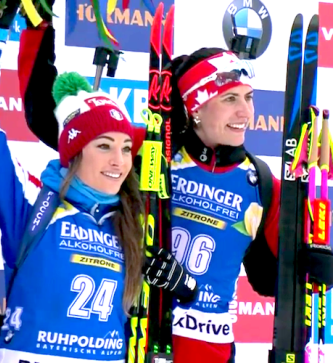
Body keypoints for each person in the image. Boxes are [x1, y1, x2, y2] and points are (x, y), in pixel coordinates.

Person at [16, 12, 283, 363]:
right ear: (196, 107)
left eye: (248, 98)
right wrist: (39, 29)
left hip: (209, 352)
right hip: (132, 342)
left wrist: (317, 257)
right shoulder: (149, 150)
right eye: (230, 99)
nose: (245, 112)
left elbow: (271, 280)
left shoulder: (262, 183)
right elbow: (50, 122)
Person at [0, 3, 199, 362]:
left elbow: (162, 308)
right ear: (74, 152)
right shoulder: (35, 208)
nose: (118, 161)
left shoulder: (135, 221)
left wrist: (186, 288)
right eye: (103, 146)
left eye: (124, 149)